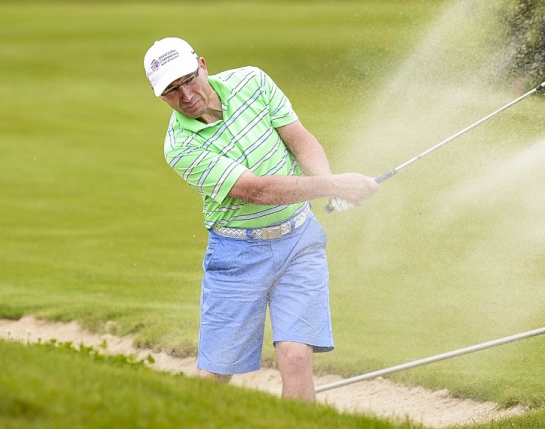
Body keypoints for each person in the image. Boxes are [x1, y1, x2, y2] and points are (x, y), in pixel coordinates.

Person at [143, 37, 378, 401]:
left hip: (300, 241)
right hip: (236, 254)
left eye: (189, 79)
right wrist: (333, 184)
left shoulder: (252, 81)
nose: (185, 94)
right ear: (160, 96)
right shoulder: (181, 147)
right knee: (216, 373)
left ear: (203, 64)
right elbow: (255, 191)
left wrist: (332, 188)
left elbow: (299, 139)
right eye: (172, 90)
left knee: (297, 355)